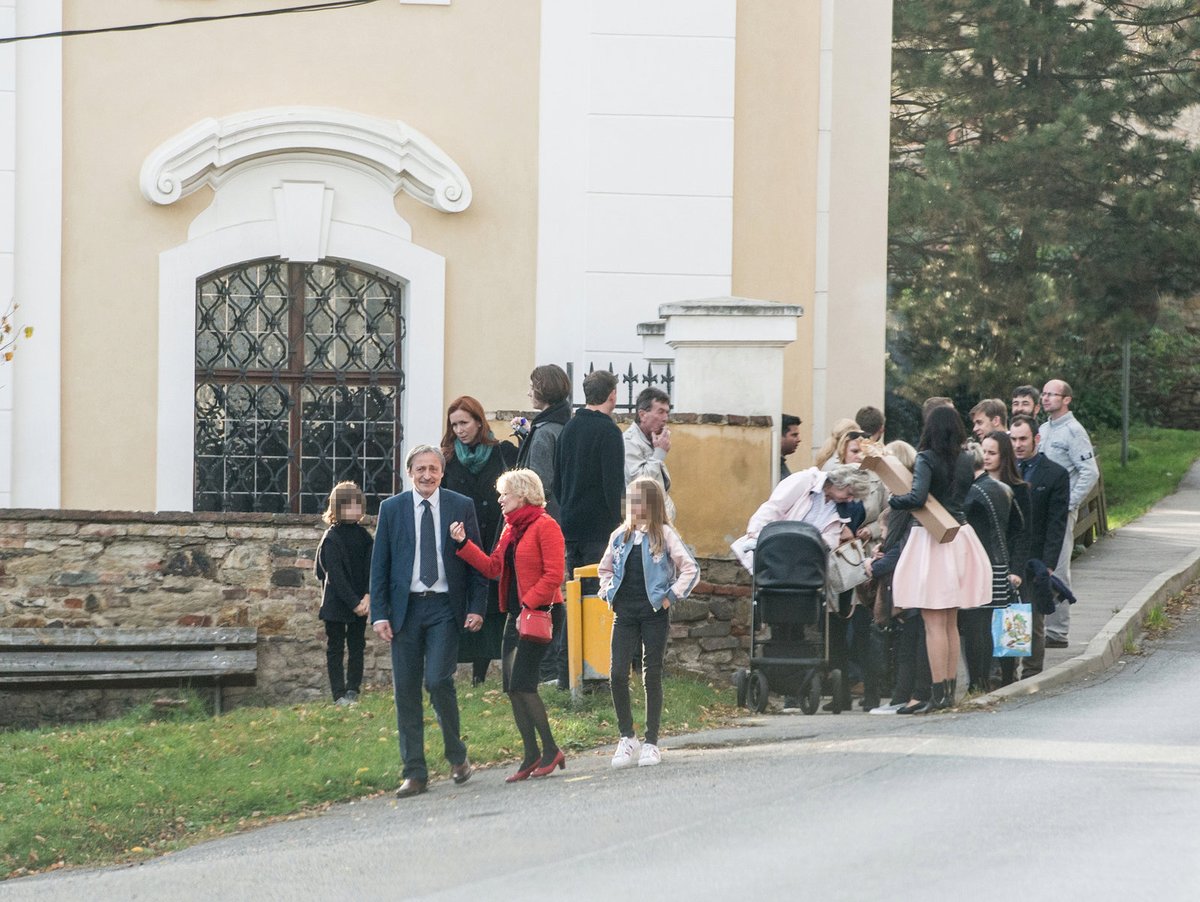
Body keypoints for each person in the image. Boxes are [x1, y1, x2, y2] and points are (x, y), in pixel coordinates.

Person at [369, 444, 487, 799]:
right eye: (420, 469)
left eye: (433, 469)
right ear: (410, 472)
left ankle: (456, 756)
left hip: (443, 609)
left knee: (438, 680)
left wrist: (477, 606)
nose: (427, 475)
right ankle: (415, 772)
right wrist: (380, 614)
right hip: (405, 611)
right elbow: (380, 565)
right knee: (405, 690)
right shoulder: (391, 509)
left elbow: (477, 562)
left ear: (441, 472)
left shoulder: (460, 506)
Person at [451, 469, 567, 782]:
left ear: (524, 494)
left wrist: (529, 604)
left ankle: (550, 750)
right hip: (516, 616)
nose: (500, 499)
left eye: (505, 494)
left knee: (523, 685)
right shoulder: (510, 529)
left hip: (541, 612)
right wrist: (463, 544)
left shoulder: (546, 526)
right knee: (512, 689)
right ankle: (530, 754)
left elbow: (554, 575)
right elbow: (492, 568)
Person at [888, 405, 992, 710]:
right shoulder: (966, 458)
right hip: (959, 535)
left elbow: (917, 497)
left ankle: (937, 693)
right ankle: (949, 691)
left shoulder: (926, 458)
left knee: (933, 622)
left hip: (931, 538)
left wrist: (895, 500)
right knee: (950, 622)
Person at [599, 478, 699, 768]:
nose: (633, 506)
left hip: (654, 612)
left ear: (652, 505)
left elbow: (690, 568)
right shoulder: (620, 536)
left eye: (639, 500)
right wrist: (608, 593)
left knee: (650, 674)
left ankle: (651, 741)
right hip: (625, 613)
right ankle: (627, 736)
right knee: (617, 673)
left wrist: (670, 596)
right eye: (630, 500)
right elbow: (605, 568)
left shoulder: (664, 534)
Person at [553, 369, 625, 689]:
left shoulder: (570, 428)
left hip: (569, 526)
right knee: (598, 597)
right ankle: (595, 673)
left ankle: (567, 671)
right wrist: (618, 524)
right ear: (612, 395)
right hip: (599, 529)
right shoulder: (609, 433)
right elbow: (613, 486)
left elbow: (556, 479)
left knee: (573, 599)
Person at [440, 396, 518, 686]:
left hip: (495, 537)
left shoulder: (502, 454)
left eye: (464, 423)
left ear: (478, 421)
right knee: (466, 600)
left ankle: (482, 674)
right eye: (455, 425)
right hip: (462, 539)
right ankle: (463, 670)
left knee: (494, 605)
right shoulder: (447, 458)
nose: (460, 430)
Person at [1038, 379, 1099, 647]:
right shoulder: (1043, 429)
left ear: (1067, 400)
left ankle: (1057, 631)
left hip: (1060, 512)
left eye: (1053, 394)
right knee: (1041, 566)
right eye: (1044, 394)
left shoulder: (1074, 431)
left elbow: (1090, 472)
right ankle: (1041, 626)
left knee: (1058, 566)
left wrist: (1070, 503)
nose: (1046, 398)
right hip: (1041, 511)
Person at [1009, 414, 1070, 678]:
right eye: (1013, 439)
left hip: (1036, 557)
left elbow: (1057, 524)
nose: (1018, 445)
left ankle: (1031, 673)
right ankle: (1006, 672)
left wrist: (1048, 564)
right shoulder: (1004, 470)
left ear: (1036, 439)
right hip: (1009, 556)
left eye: (1023, 439)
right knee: (1011, 617)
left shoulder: (1055, 474)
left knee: (1033, 618)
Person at [961, 440, 1020, 693]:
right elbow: (1019, 528)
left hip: (979, 566)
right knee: (1003, 624)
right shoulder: (1003, 489)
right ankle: (1008, 678)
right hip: (1001, 565)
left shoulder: (970, 496)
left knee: (978, 627)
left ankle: (978, 682)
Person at [314, 481, 373, 706]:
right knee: (336, 647)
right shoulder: (331, 538)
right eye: (349, 506)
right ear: (337, 508)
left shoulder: (365, 537)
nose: (354, 510)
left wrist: (367, 597)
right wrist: (353, 602)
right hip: (337, 602)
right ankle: (338, 693)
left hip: (361, 600)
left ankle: (352, 690)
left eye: (358, 505)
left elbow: (371, 569)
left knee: (357, 646)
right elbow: (335, 576)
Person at [981, 429, 1031, 687]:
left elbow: (1022, 533)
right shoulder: (976, 486)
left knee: (1009, 623)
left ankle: (1008, 676)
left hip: (1008, 563)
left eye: (992, 453)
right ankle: (988, 677)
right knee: (984, 624)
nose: (986, 457)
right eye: (984, 452)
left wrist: (1017, 569)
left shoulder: (1018, 489)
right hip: (983, 562)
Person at [512, 364, 572, 520]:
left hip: (545, 517)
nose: (528, 393)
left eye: (532, 388)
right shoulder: (567, 425)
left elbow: (538, 486)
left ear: (544, 390)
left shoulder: (544, 432)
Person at [623, 387, 676, 522]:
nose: (665, 418)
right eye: (660, 412)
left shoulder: (651, 440)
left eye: (667, 412)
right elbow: (640, 484)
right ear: (642, 415)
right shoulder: (629, 441)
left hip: (659, 522)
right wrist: (659, 453)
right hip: (642, 525)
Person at [779, 414, 802, 482]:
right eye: (794, 435)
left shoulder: (780, 462)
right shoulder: (772, 464)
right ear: (780, 436)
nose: (799, 439)